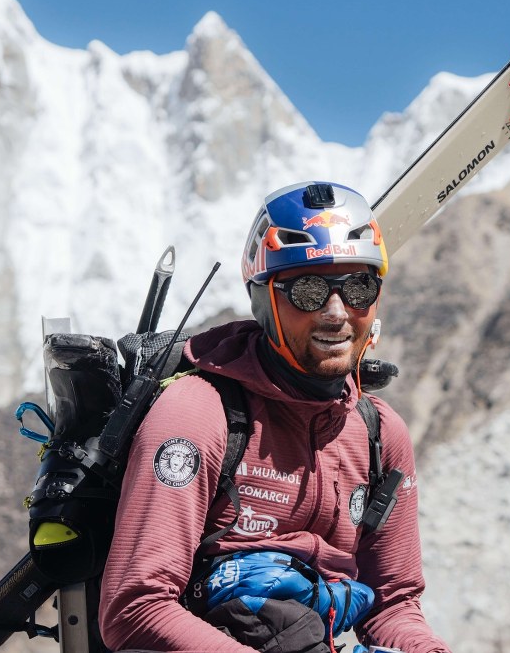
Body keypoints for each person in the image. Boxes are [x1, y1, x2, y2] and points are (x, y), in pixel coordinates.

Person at [98, 181, 451, 653]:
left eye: (359, 287)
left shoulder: (381, 435)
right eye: (307, 290)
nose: (336, 313)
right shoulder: (199, 413)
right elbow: (135, 608)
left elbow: (393, 603)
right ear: (264, 299)